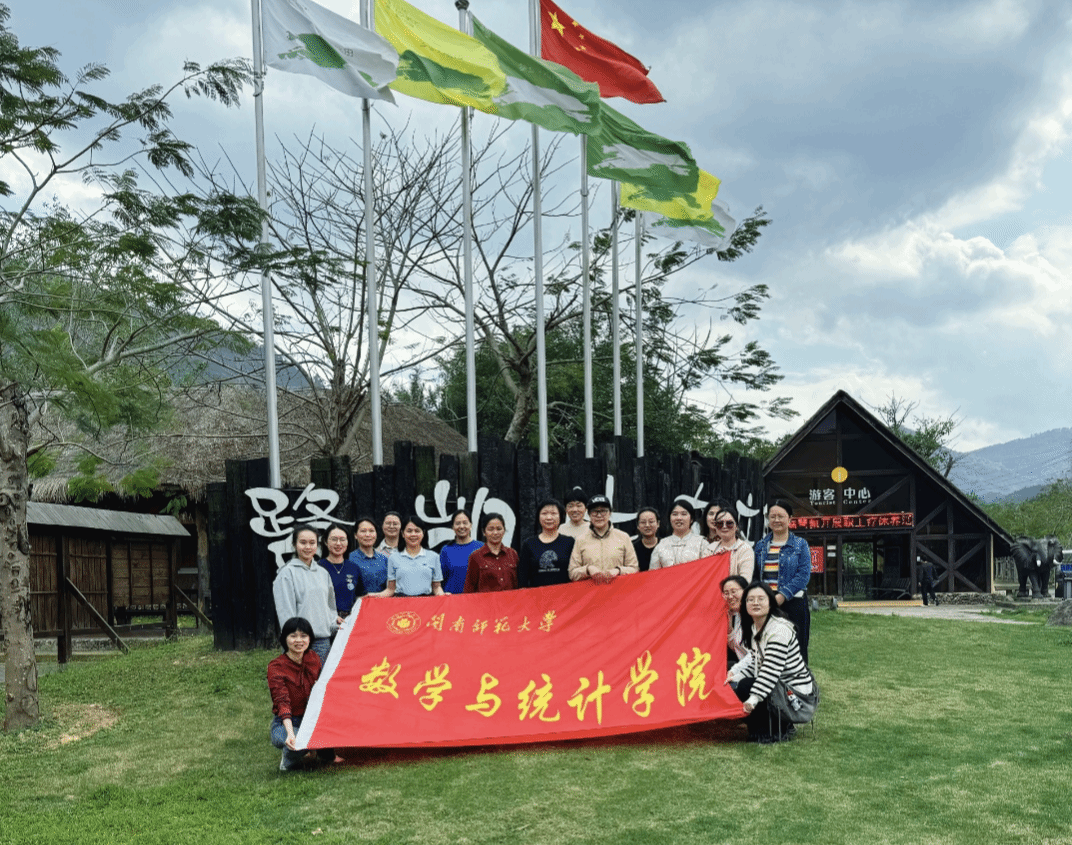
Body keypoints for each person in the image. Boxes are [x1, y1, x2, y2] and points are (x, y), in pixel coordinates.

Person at [727, 582, 815, 744]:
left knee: (747, 686)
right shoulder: (756, 627)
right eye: (750, 599)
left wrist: (753, 699)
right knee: (735, 677)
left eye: (761, 599)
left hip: (794, 694)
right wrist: (734, 677)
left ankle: (775, 730)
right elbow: (755, 661)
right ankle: (768, 726)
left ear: (771, 603)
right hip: (777, 685)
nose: (755, 603)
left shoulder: (779, 631)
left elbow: (770, 672)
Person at [268, 616, 333, 771]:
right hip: (286, 722)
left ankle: (320, 752)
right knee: (299, 741)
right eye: (293, 636)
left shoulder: (313, 658)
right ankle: (288, 761)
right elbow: (282, 702)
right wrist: (290, 734)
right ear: (285, 639)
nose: (299, 640)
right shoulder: (276, 666)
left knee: (329, 738)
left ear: (310, 639)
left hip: (311, 719)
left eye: (304, 636)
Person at [753, 500, 813, 662]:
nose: (776, 520)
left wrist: (782, 595)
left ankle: (797, 679)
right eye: (772, 516)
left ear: (790, 519)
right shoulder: (760, 546)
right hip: (767, 603)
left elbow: (803, 575)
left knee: (797, 649)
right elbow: (756, 575)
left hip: (794, 603)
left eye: (781, 516)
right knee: (768, 647)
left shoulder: (800, 545)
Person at [273, 525, 341, 663]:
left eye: (312, 543)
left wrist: (334, 622)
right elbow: (285, 612)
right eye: (303, 542)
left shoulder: (323, 573)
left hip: (322, 641)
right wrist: (295, 639)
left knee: (321, 676)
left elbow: (330, 606)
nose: (308, 547)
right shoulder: (287, 573)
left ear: (317, 545)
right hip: (299, 642)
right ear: (294, 545)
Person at [568, 494, 639, 583]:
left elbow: (634, 569)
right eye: (594, 511)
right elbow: (572, 573)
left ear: (610, 513)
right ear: (589, 514)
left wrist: (618, 570)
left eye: (603, 511)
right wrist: (588, 569)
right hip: (591, 590)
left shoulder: (624, 537)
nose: (599, 515)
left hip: (618, 589)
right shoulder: (580, 540)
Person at [374, 515, 445, 597]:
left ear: (423, 533)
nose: (413, 534)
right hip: (401, 602)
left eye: (417, 531)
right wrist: (374, 596)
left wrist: (443, 596)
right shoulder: (393, 558)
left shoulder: (434, 557)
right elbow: (390, 589)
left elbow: (437, 587)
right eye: (409, 531)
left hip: (426, 602)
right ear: (403, 534)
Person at [520, 498, 575, 587]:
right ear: (538, 516)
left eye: (553, 513)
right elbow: (523, 577)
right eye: (544, 513)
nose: (549, 517)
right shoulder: (529, 544)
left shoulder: (569, 542)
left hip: (565, 594)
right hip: (537, 595)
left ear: (560, 516)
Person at [464, 513, 519, 593]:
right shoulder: (475, 556)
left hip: (511, 600)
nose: (495, 533)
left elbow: (519, 584)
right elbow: (469, 588)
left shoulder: (512, 554)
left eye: (499, 529)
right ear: (484, 532)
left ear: (504, 531)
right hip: (485, 601)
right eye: (491, 529)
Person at [320, 525, 365, 617]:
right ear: (325, 541)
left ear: (348, 542)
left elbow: (360, 596)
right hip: (325, 618)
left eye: (342, 539)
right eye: (334, 539)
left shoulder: (354, 568)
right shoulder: (318, 567)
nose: (338, 543)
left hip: (349, 620)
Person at [704, 504, 757, 581]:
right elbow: (704, 576)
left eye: (729, 523)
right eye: (720, 524)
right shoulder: (709, 549)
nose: (724, 526)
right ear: (715, 527)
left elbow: (745, 580)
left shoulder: (745, 549)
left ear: (737, 527)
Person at [649, 498, 705, 570]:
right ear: (670, 518)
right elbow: (654, 573)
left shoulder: (701, 543)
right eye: (675, 514)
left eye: (684, 514)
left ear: (691, 519)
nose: (679, 518)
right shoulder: (661, 545)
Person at [439, 509, 482, 594]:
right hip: (452, 598)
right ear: (452, 527)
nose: (462, 526)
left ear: (471, 525)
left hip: (475, 598)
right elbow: (440, 579)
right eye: (458, 523)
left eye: (465, 523)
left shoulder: (481, 547)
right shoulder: (446, 550)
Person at [720, 574, 752, 675]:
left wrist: (734, 671)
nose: (730, 596)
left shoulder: (755, 614)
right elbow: (737, 648)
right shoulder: (738, 614)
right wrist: (729, 628)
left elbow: (757, 654)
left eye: (733, 591)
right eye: (726, 593)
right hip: (746, 667)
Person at [348, 517, 389, 595]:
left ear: (376, 534)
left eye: (371, 531)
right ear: (355, 535)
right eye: (363, 531)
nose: (367, 535)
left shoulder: (384, 559)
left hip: (382, 601)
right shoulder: (349, 559)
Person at [632, 506, 661, 573]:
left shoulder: (665, 545)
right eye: (643, 522)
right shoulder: (632, 548)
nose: (647, 525)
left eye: (651, 521)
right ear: (638, 526)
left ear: (658, 524)